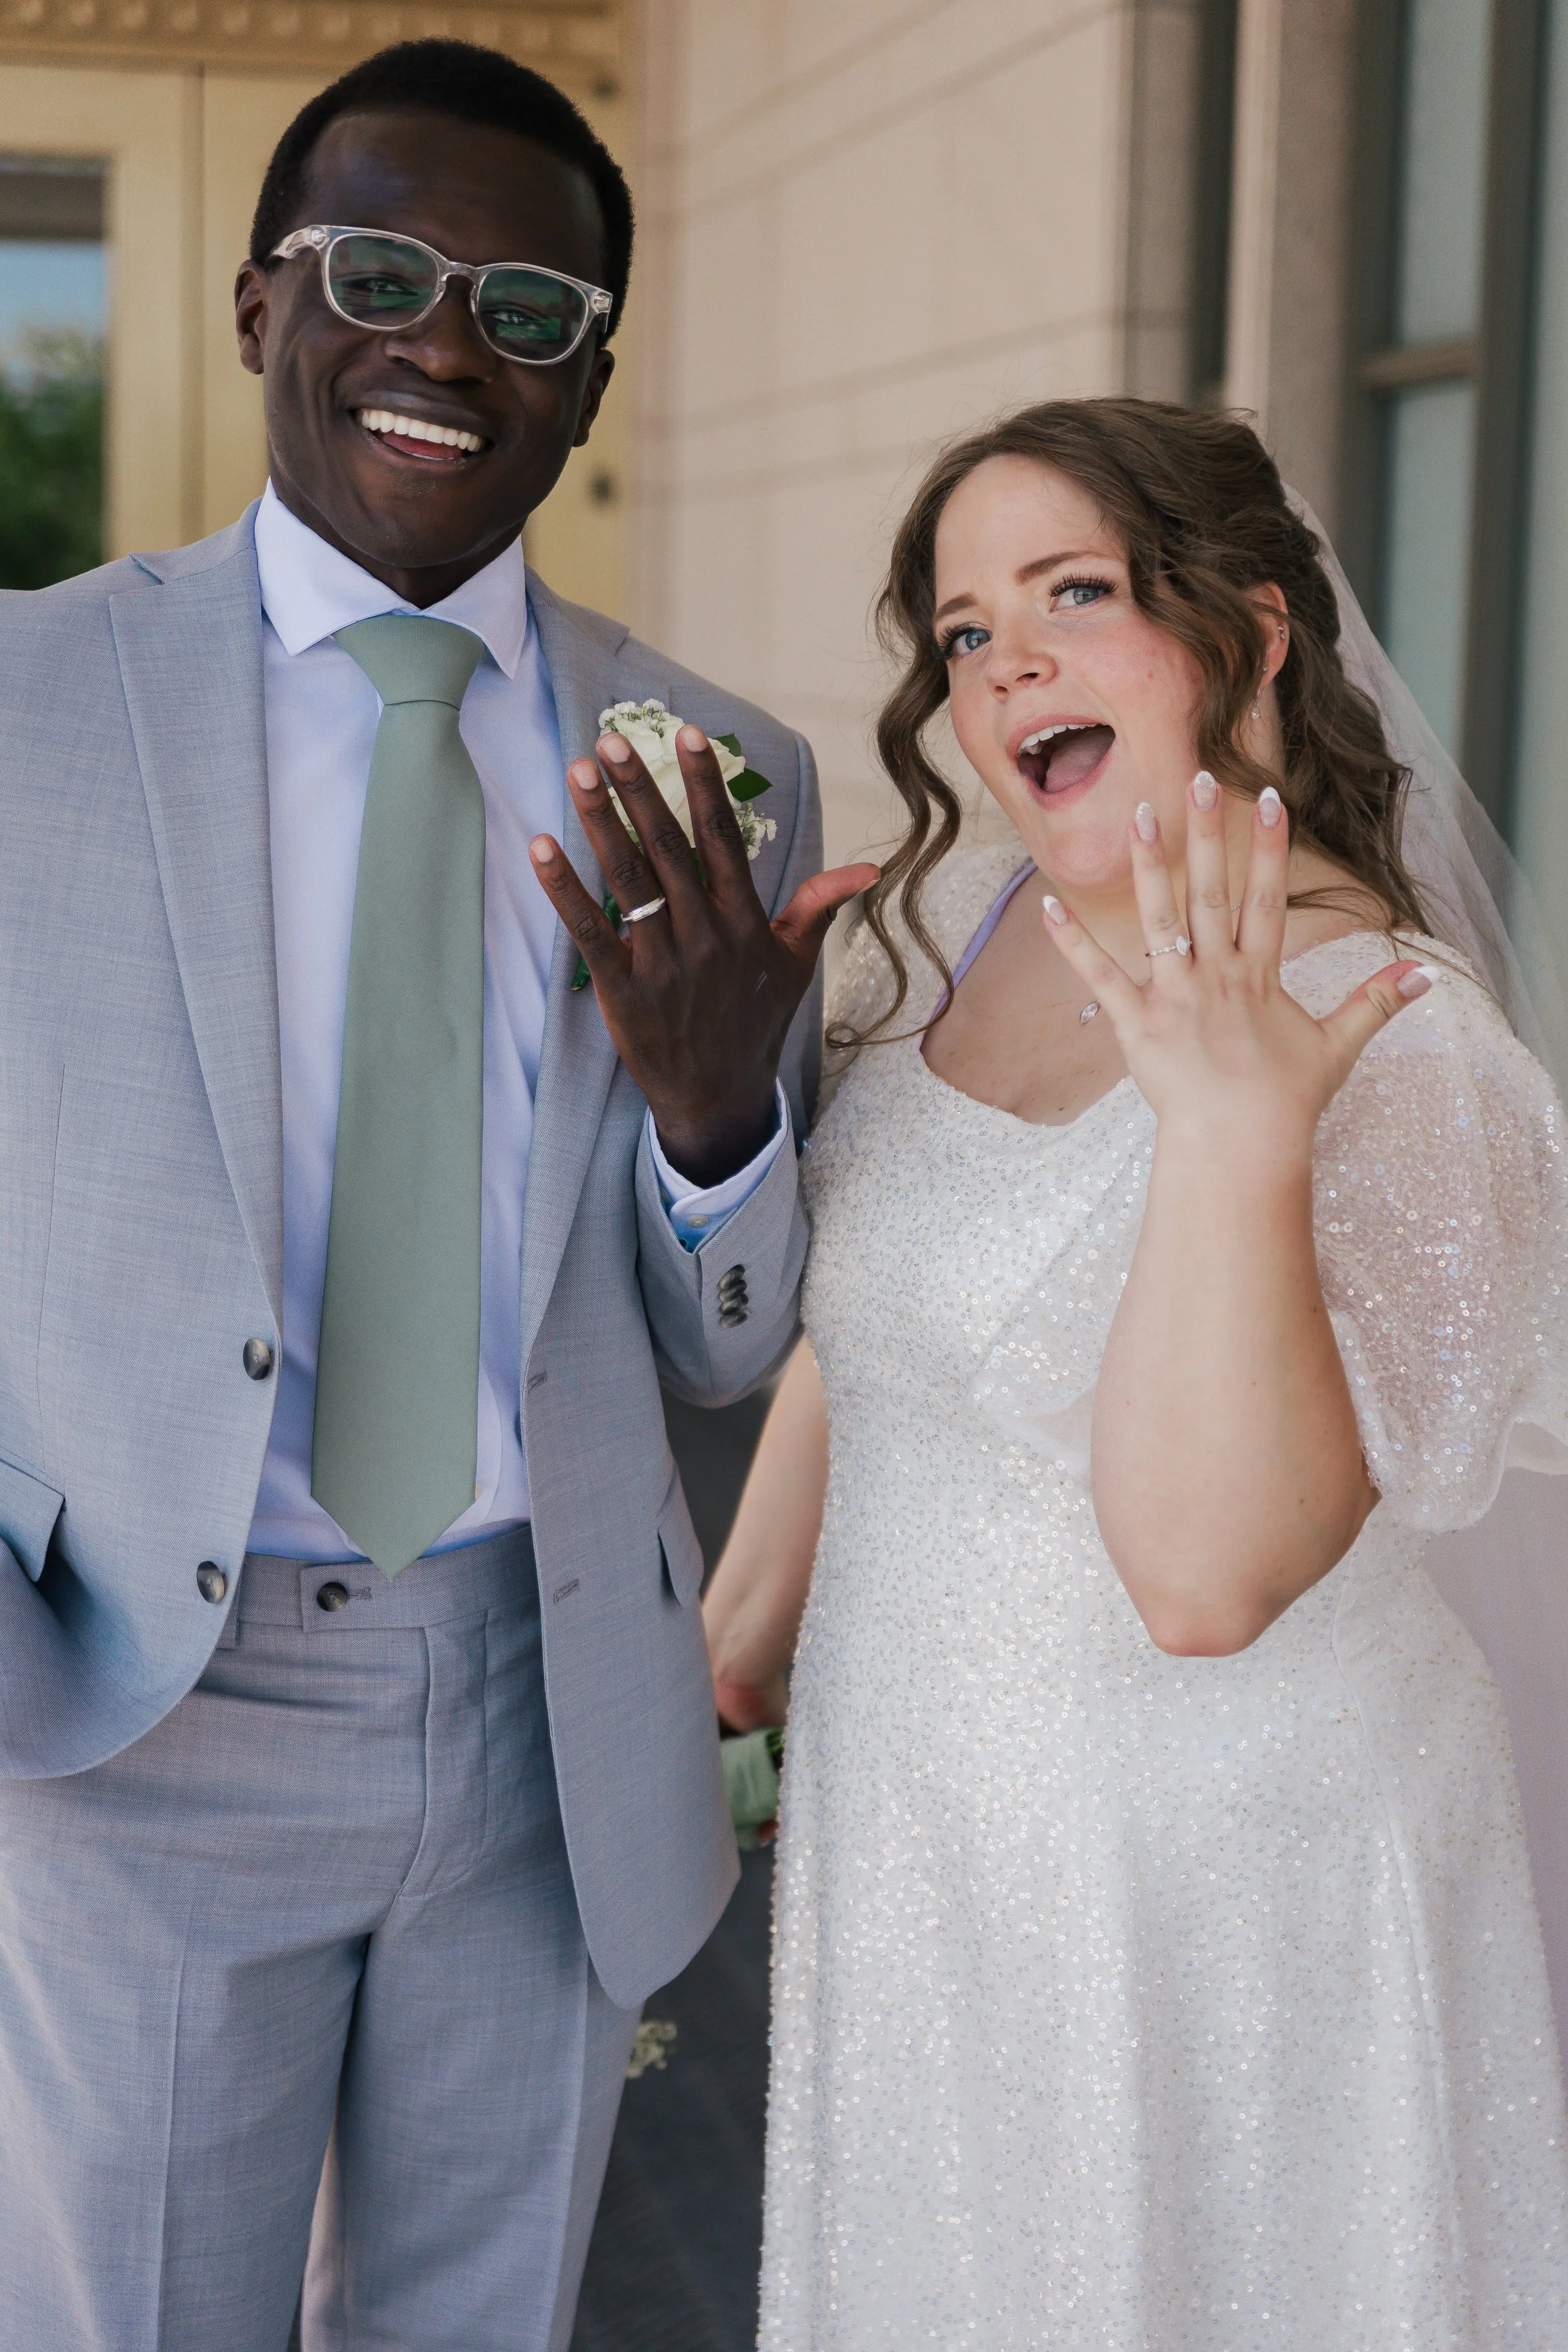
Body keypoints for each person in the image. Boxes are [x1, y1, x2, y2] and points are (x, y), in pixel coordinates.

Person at [0, 40, 874, 2352]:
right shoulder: (25, 708)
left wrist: (716, 1123)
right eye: (379, 273)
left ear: (590, 382)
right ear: (258, 307)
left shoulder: (723, 773)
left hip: (541, 1712)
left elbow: (726, 1344)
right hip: (142, 1716)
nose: (446, 346)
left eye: (527, 308)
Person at [703, 398, 1568, 2346]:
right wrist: (735, 1628)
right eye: (961, 629)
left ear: (1249, 632)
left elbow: (1206, 1576)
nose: (1005, 661)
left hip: (1208, 1904)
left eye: (1072, 595)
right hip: (928, 1847)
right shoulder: (965, 919)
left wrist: (1229, 1142)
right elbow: (890, 1313)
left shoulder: (1399, 1057)